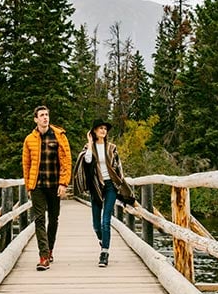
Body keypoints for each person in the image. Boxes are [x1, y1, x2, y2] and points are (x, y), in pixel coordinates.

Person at [74, 119, 135, 267]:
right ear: (94, 131)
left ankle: (104, 253)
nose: (103, 131)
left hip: (110, 186)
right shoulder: (89, 147)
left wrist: (120, 185)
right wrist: (89, 143)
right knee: (96, 225)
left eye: (105, 129)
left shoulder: (112, 148)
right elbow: (87, 161)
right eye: (100, 128)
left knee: (105, 220)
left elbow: (118, 168)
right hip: (96, 186)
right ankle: (103, 241)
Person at [22, 105, 72, 271]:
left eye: (47, 115)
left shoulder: (59, 136)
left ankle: (50, 249)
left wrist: (64, 183)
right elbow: (26, 164)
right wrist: (28, 185)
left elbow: (66, 162)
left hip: (54, 184)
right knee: (39, 219)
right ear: (36, 119)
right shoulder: (29, 139)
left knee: (54, 218)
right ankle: (43, 256)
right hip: (38, 185)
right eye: (41, 115)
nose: (45, 118)